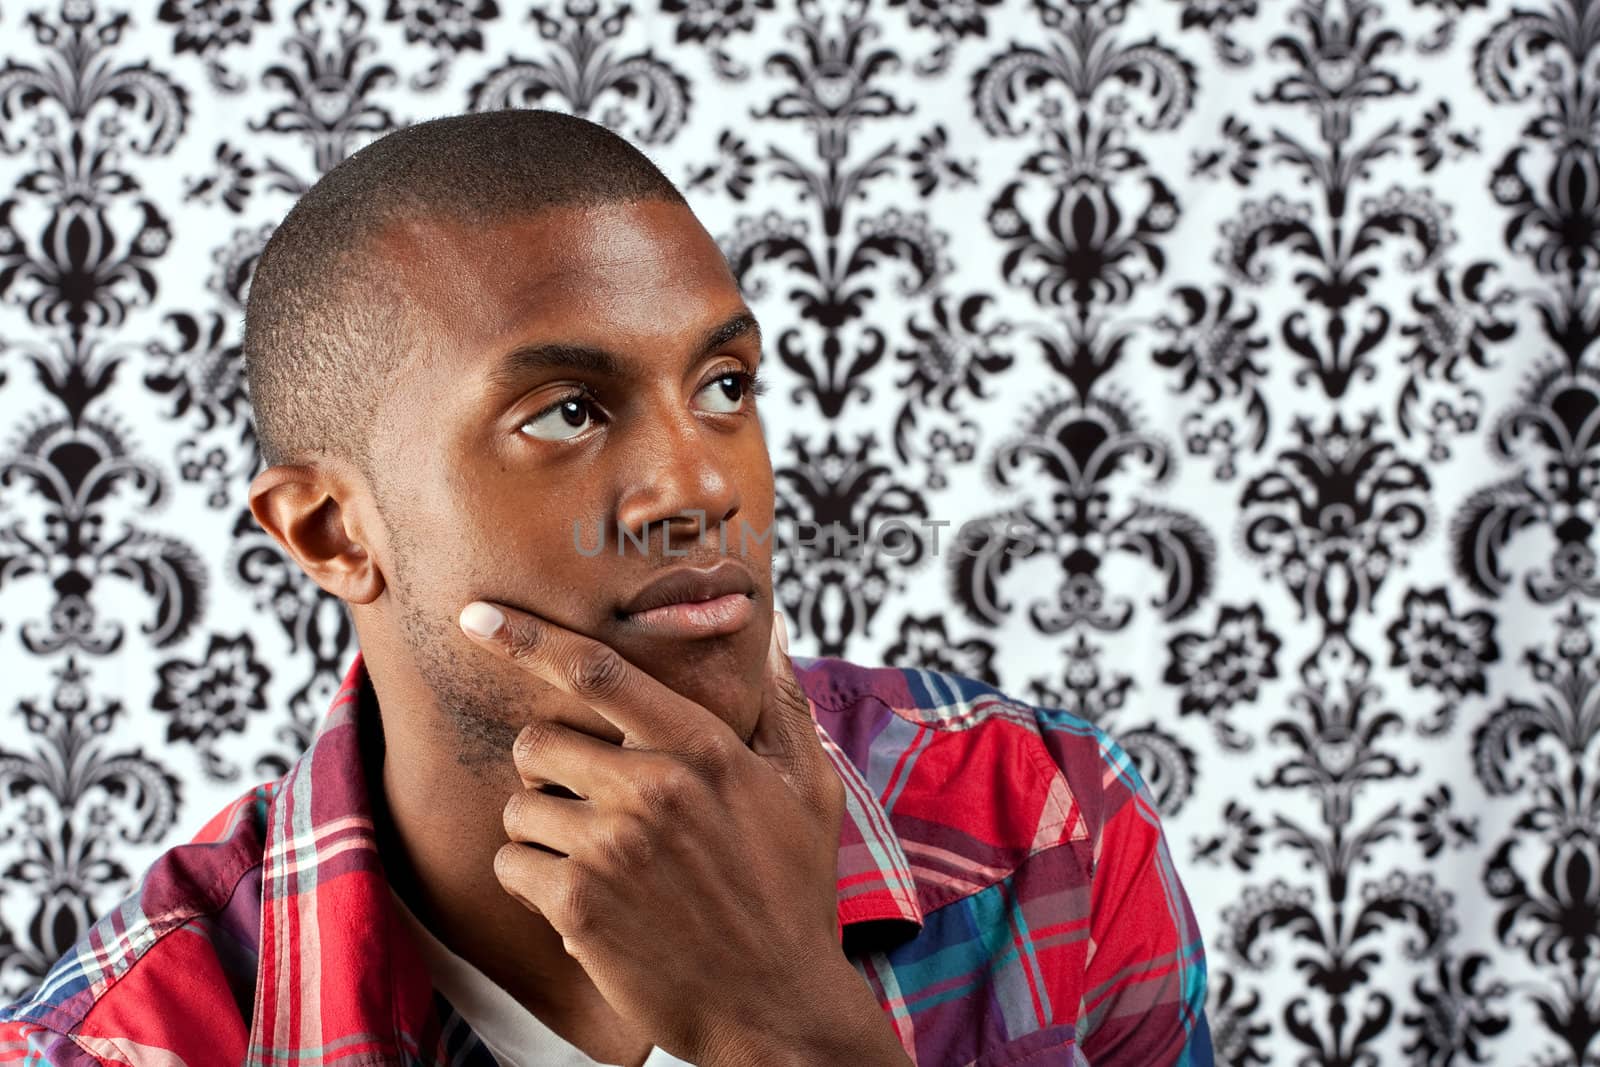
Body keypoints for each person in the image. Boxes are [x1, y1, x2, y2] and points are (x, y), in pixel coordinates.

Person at [0, 109, 1212, 1067]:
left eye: (726, 386)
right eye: (566, 411)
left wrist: (784, 1026)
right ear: (330, 532)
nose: (696, 488)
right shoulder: (126, 1043)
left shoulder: (1042, 821)